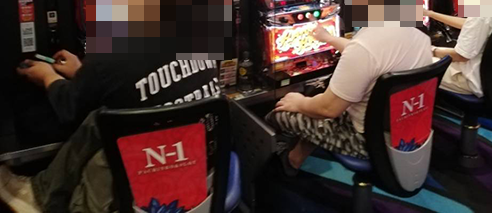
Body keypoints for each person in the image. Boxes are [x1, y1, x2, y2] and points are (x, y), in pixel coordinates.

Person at [0, 50, 221, 213]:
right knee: (99, 120)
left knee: (105, 145)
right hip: (206, 171)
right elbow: (137, 77)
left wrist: (48, 76)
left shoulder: (109, 55)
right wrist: (84, 73)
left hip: (152, 184)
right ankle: (41, 191)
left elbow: (69, 109)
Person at [266, 24, 433, 176]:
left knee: (282, 111)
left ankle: (272, 168)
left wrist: (299, 102)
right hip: (406, 131)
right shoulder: (419, 35)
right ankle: (294, 160)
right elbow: (370, 54)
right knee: (321, 96)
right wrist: (329, 38)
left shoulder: (364, 47)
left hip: (369, 142)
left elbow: (327, 109)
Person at [424, 11, 492, 96]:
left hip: (471, 79)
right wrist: (430, 13)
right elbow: (473, 24)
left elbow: (461, 56)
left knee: (420, 61)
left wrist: (431, 50)